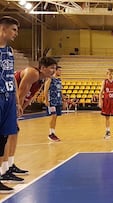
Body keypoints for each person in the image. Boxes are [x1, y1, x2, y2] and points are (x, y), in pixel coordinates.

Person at [1, 57, 57, 185]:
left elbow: (28, 98)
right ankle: (4, 171)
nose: (54, 71)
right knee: (8, 134)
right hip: (7, 98)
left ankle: (10, 165)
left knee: (14, 133)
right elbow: (20, 92)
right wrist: (15, 110)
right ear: (43, 68)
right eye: (51, 68)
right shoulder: (33, 73)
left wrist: (20, 112)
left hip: (12, 102)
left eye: (55, 68)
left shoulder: (42, 79)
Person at [0, 16, 21, 193]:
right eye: (13, 29)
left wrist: (16, 99)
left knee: (3, 138)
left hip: (8, 98)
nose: (16, 33)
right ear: (3, 29)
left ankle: (2, 173)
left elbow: (11, 76)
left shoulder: (10, 51)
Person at [98, 68, 113, 139]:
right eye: (109, 74)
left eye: (112, 74)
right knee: (107, 117)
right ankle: (107, 131)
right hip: (107, 101)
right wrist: (100, 101)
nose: (110, 75)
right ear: (107, 74)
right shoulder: (104, 81)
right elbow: (101, 92)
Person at [44, 65, 62, 142]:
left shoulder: (59, 80)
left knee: (55, 117)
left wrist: (63, 99)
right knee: (53, 116)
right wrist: (46, 100)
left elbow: (60, 91)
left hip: (58, 101)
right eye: (59, 70)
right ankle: (51, 133)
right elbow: (45, 90)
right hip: (52, 101)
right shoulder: (50, 79)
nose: (61, 72)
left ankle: (53, 133)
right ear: (55, 71)